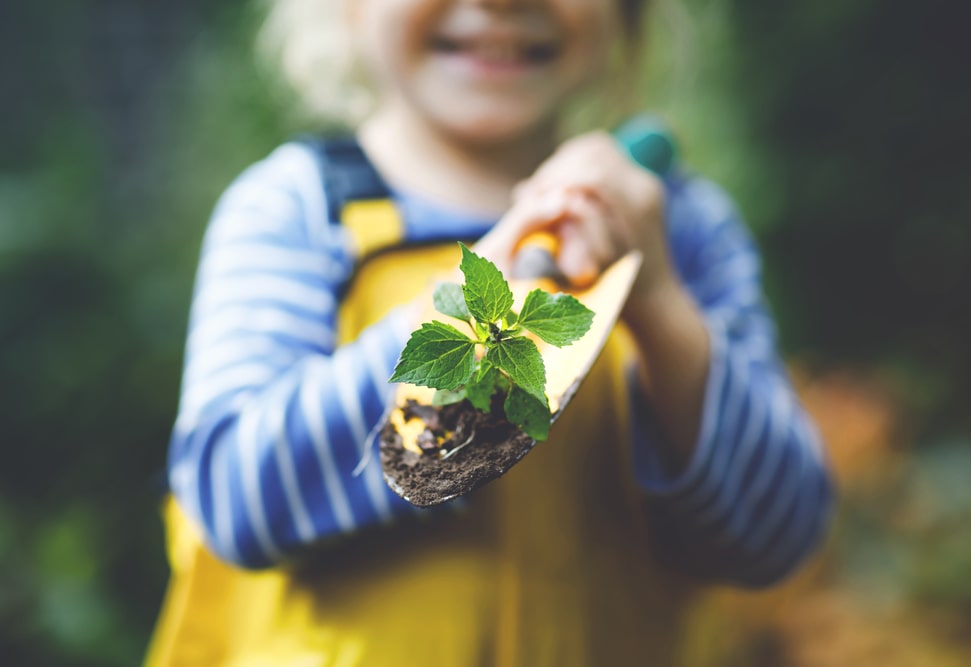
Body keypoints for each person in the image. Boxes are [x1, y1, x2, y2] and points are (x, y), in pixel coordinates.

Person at [146, 0, 834, 664]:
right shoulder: (298, 212)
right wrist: (467, 324)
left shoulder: (678, 233)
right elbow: (235, 500)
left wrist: (656, 302)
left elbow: (780, 535)